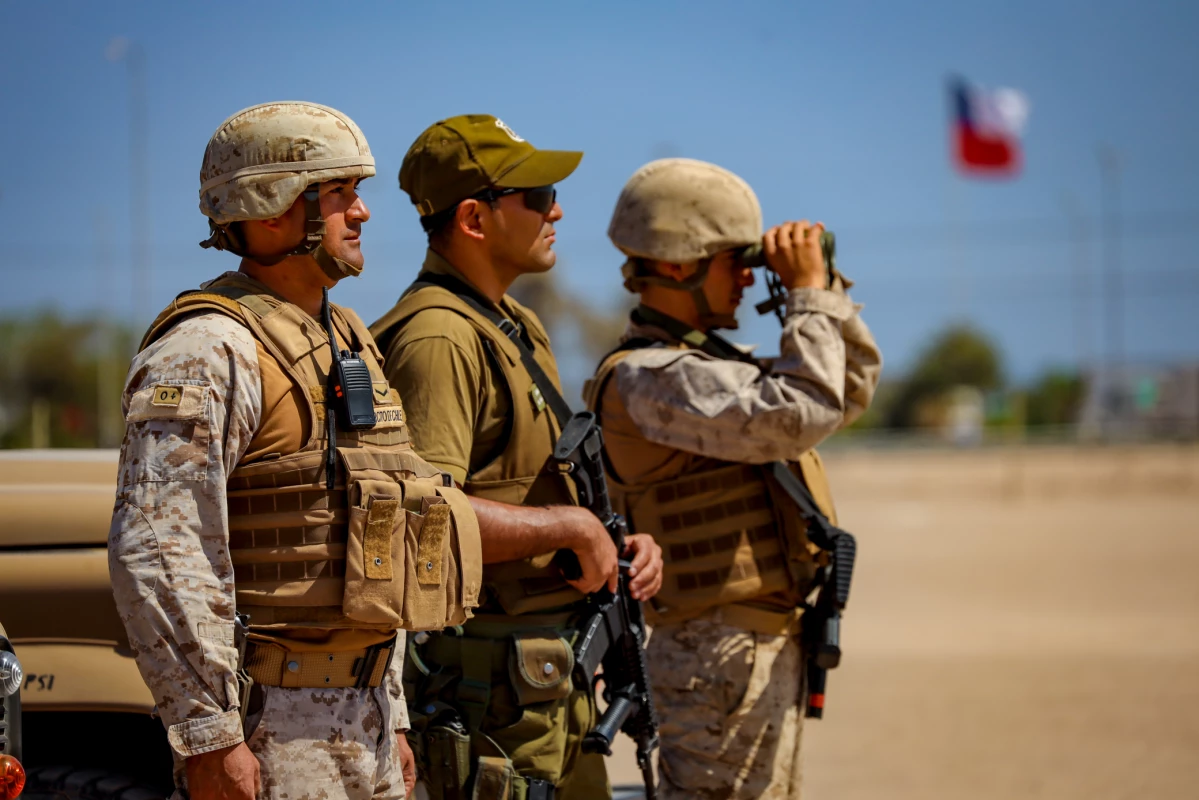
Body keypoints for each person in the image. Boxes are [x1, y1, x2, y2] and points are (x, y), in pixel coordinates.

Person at [108, 101, 483, 800]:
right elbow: (161, 549)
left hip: (363, 722)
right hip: (271, 728)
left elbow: (374, 533)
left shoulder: (349, 340)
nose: (362, 213)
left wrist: (391, 712)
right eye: (339, 193)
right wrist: (210, 736)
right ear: (274, 205)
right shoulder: (207, 349)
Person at [369, 114, 663, 800]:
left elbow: (534, 485)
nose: (555, 209)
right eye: (536, 195)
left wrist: (612, 542)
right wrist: (570, 530)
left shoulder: (512, 324)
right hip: (486, 697)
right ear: (474, 217)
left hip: (540, 683)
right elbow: (421, 523)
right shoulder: (438, 339)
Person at [583, 158, 883, 799]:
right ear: (674, 266)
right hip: (713, 655)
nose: (750, 278)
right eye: (734, 261)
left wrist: (821, 285)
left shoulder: (710, 362)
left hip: (748, 649)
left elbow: (848, 387)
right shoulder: (650, 378)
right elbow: (803, 412)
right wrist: (802, 296)